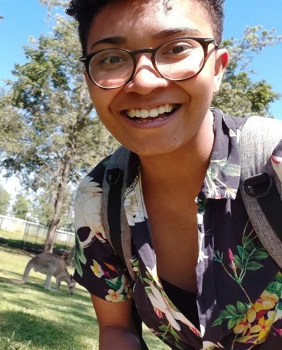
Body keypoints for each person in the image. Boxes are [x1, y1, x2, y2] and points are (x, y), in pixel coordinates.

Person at [66, 0, 282, 349]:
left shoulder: (274, 163)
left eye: (177, 48)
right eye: (111, 58)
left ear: (218, 68)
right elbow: (117, 329)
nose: (144, 82)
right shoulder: (100, 199)